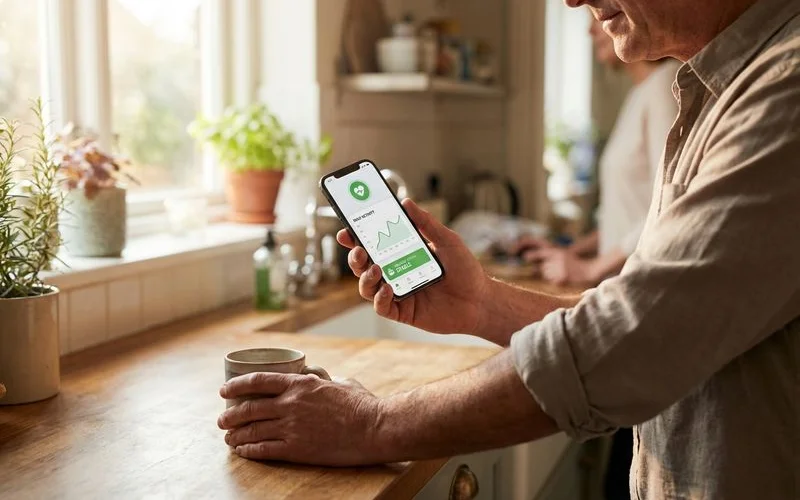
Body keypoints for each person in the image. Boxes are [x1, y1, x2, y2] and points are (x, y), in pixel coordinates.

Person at [217, 1, 800, 498]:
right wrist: (481, 303)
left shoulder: (786, 89)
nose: (572, 2)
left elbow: (633, 342)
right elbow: (672, 321)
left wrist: (370, 425)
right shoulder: (729, 88)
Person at [515, 20, 680, 287]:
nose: (590, 30)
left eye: (598, 18)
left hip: (643, 285)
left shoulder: (665, 85)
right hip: (621, 282)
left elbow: (667, 206)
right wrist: (570, 253)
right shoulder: (640, 92)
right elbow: (626, 216)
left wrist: (590, 269)